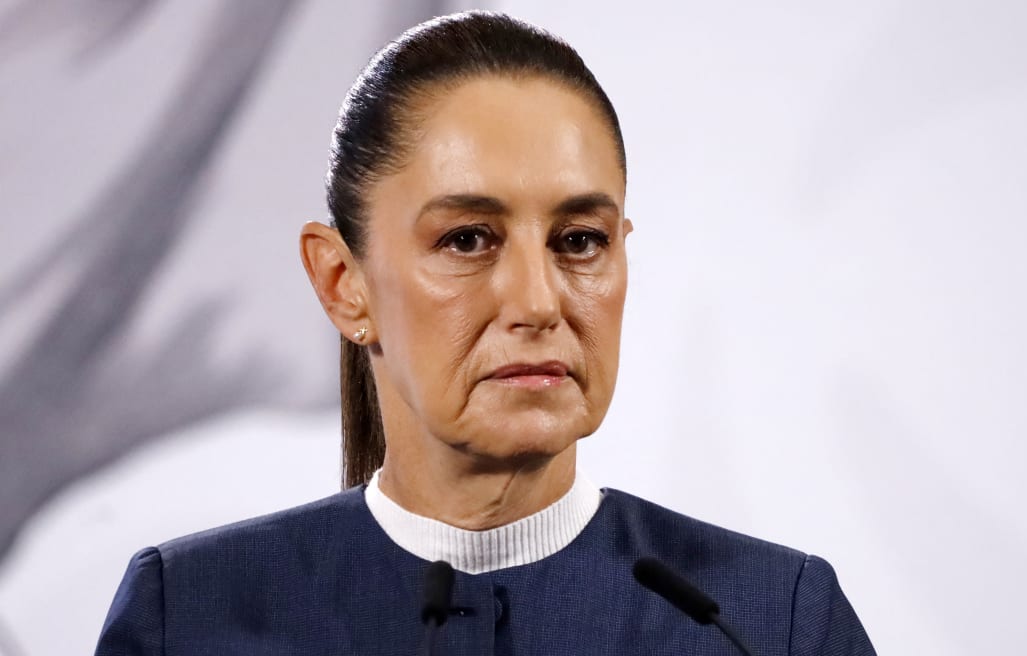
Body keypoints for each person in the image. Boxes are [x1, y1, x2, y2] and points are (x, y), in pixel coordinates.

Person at [95, 11, 876, 655]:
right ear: (344, 284)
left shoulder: (769, 623)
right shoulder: (190, 615)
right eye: (468, 239)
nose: (538, 302)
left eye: (579, 241)